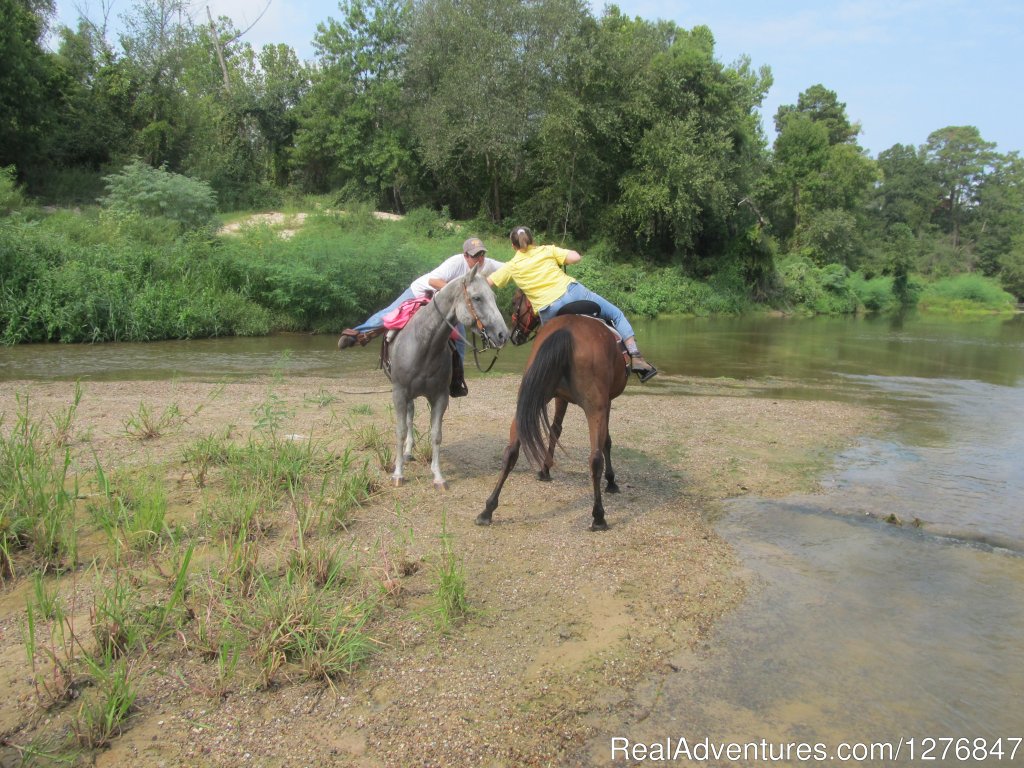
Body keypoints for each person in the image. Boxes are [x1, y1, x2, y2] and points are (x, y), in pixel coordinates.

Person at [487, 226, 658, 382]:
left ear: (513, 246)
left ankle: (546, 379)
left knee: (546, 350)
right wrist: (564, 257)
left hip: (549, 309)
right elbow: (575, 257)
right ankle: (636, 357)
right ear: (533, 240)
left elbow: (487, 283)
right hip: (574, 293)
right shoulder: (547, 250)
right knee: (616, 314)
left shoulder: (512, 266)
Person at [338, 237, 504, 396]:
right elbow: (433, 280)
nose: (480, 258)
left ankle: (456, 379)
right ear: (466, 255)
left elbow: (509, 267)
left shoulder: (486, 264)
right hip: (420, 292)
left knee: (459, 338)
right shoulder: (456, 262)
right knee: (389, 315)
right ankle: (353, 334)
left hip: (446, 306)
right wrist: (456, 293)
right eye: (475, 255)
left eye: (482, 254)